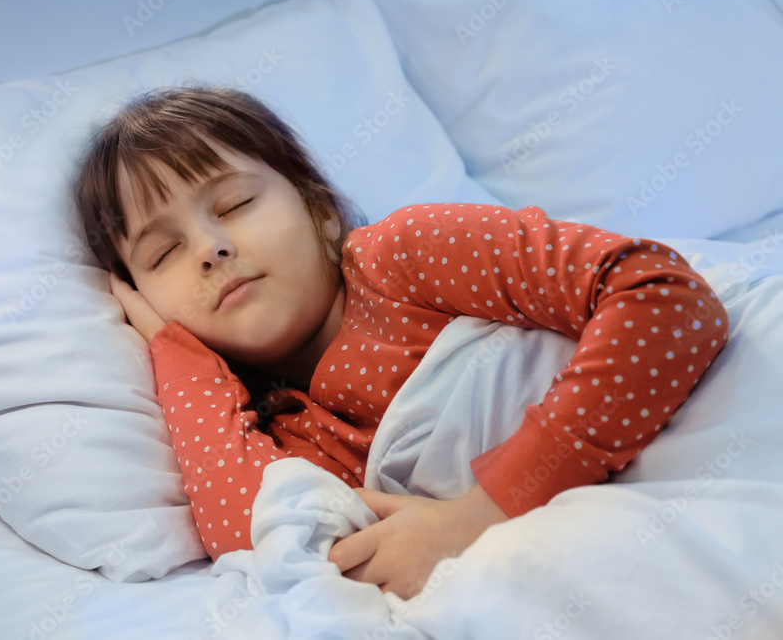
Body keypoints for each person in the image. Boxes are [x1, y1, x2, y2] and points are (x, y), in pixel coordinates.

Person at [74, 86, 729, 598]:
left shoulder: (403, 261)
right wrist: (177, 352)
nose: (211, 250)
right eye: (164, 254)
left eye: (236, 205)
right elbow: (255, 536)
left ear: (320, 209)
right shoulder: (289, 431)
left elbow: (666, 298)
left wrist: (484, 509)